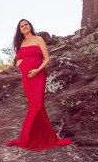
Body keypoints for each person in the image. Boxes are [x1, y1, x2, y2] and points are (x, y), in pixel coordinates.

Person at [6, 19, 71, 150]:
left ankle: (29, 137)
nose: (24, 27)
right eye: (21, 26)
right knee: (33, 106)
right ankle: (38, 137)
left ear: (30, 26)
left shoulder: (38, 39)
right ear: (20, 30)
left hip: (39, 75)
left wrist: (37, 70)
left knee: (39, 106)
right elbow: (19, 59)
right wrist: (19, 64)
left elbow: (47, 59)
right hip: (26, 78)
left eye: (26, 24)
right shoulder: (21, 43)